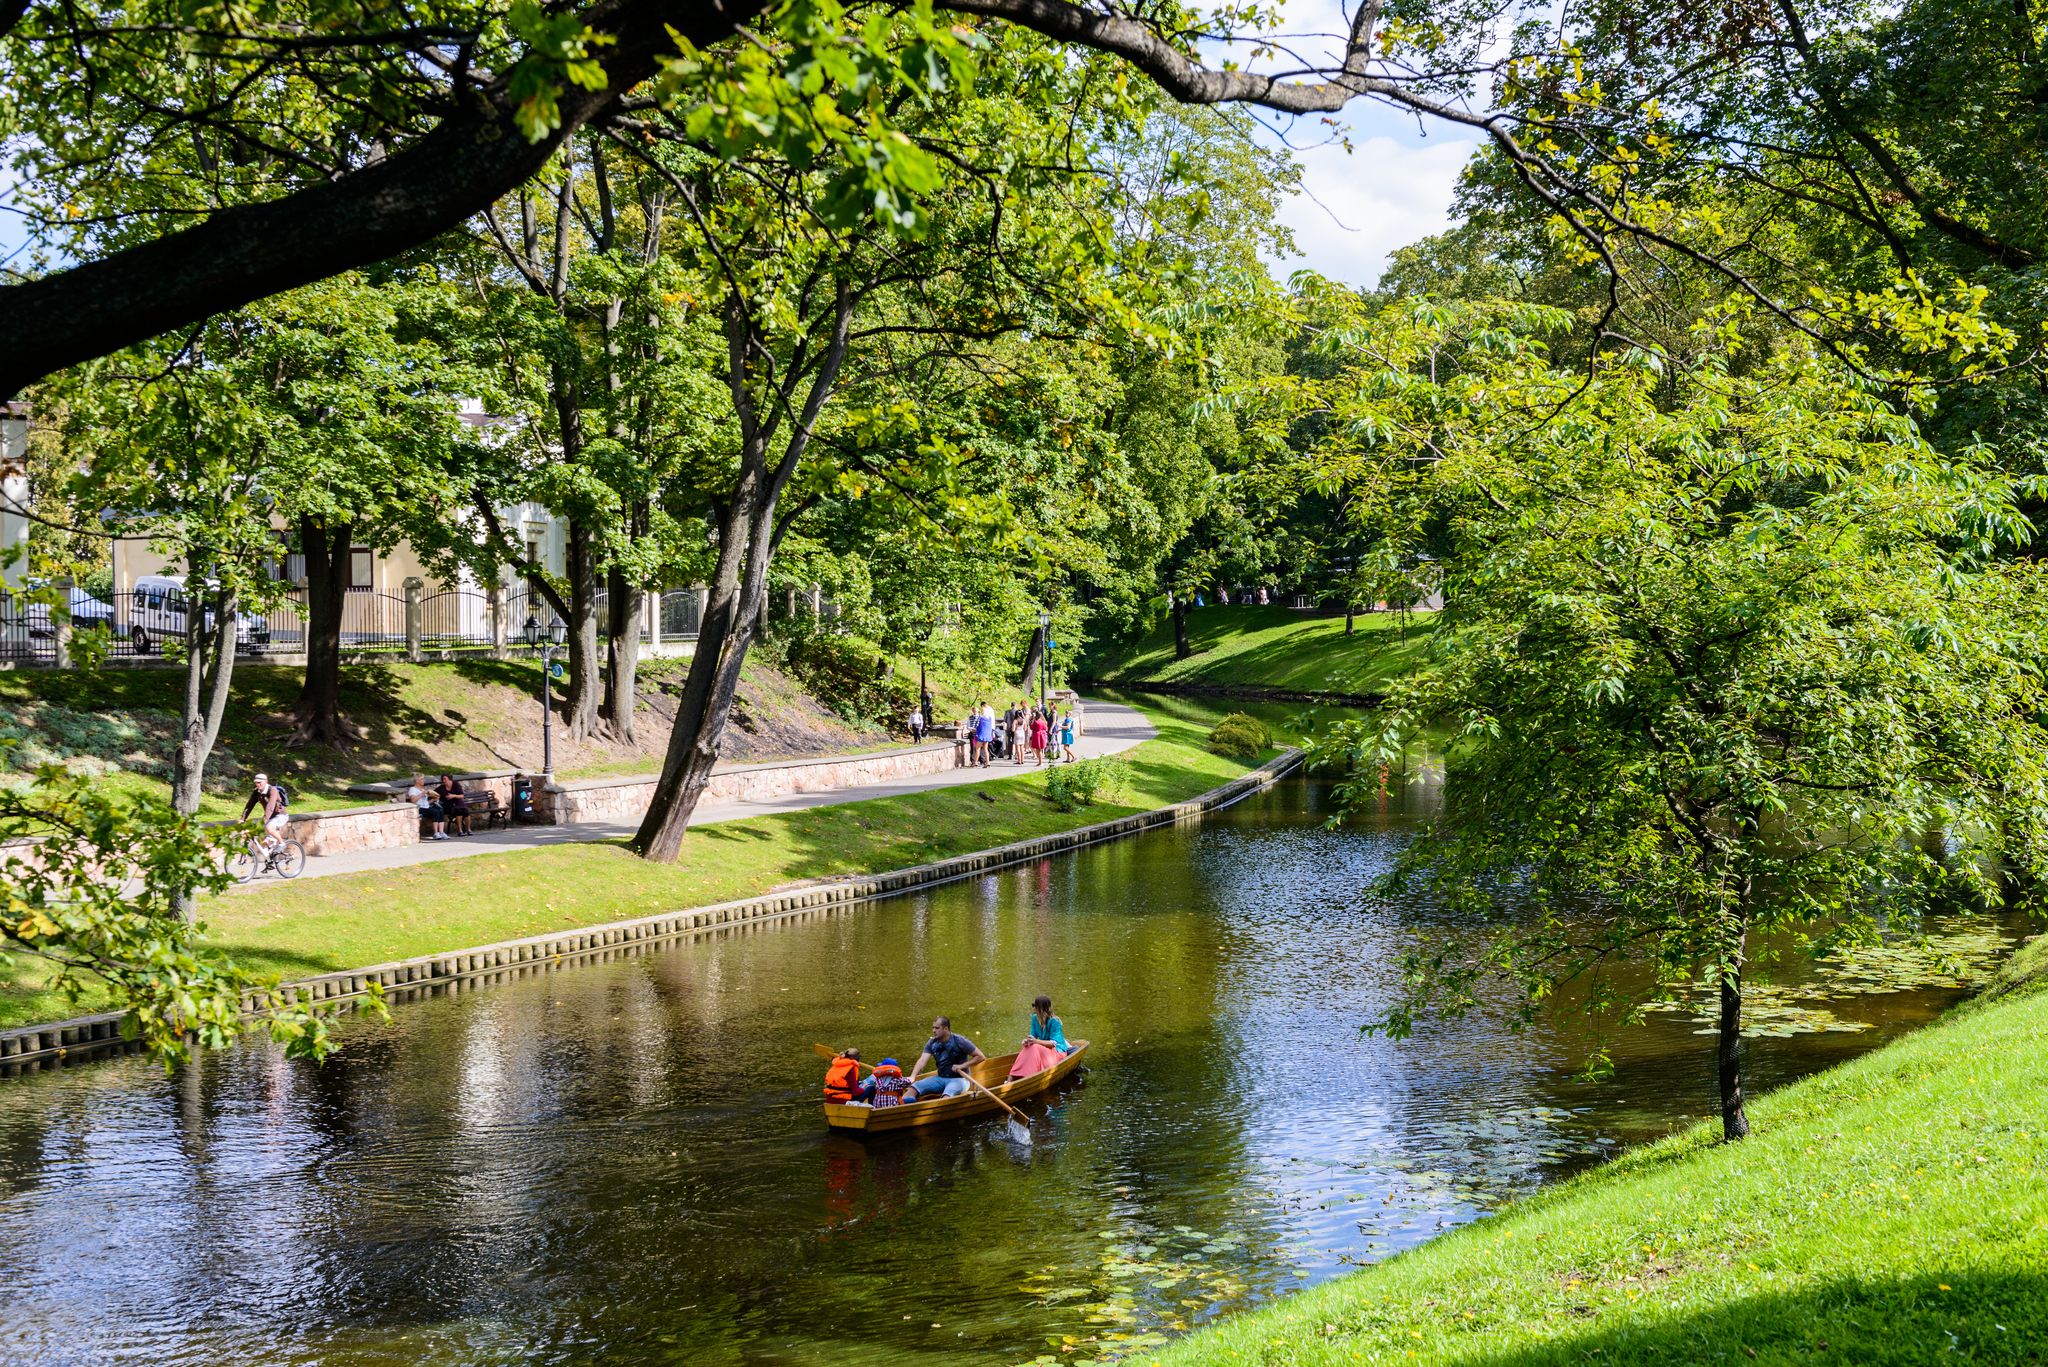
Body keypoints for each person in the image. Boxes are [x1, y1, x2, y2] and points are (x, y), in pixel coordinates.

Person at [907, 1016, 986, 1099]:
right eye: (933, 1028)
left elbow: (980, 1056)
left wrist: (962, 1066)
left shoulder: (959, 1041)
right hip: (940, 1078)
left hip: (960, 1080)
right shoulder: (932, 1042)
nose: (934, 1031)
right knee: (913, 1088)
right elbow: (922, 1061)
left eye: (937, 1028)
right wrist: (913, 1076)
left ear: (946, 1028)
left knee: (946, 1096)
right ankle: (904, 1106)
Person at [240, 773, 291, 853]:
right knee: (262, 835)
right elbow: (250, 805)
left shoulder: (272, 790)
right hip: (271, 817)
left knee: (268, 827)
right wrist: (243, 819)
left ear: (266, 781)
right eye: (256, 782)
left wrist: (265, 819)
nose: (258, 784)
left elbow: (270, 806)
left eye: (260, 782)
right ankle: (270, 857)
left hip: (280, 815)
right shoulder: (257, 792)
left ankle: (281, 843)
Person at [406, 773, 448, 841]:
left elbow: (425, 803)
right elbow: (413, 800)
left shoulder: (422, 789)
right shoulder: (412, 789)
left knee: (440, 810)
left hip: (426, 807)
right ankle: (435, 833)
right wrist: (423, 793)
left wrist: (433, 799)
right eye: (422, 779)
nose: (423, 780)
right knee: (436, 812)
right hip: (419, 808)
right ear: (417, 781)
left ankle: (441, 832)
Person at [972, 702, 995, 767]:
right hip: (987, 735)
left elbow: (977, 726)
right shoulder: (989, 719)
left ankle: (975, 762)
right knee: (985, 749)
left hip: (981, 735)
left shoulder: (980, 718)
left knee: (977, 749)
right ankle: (987, 762)